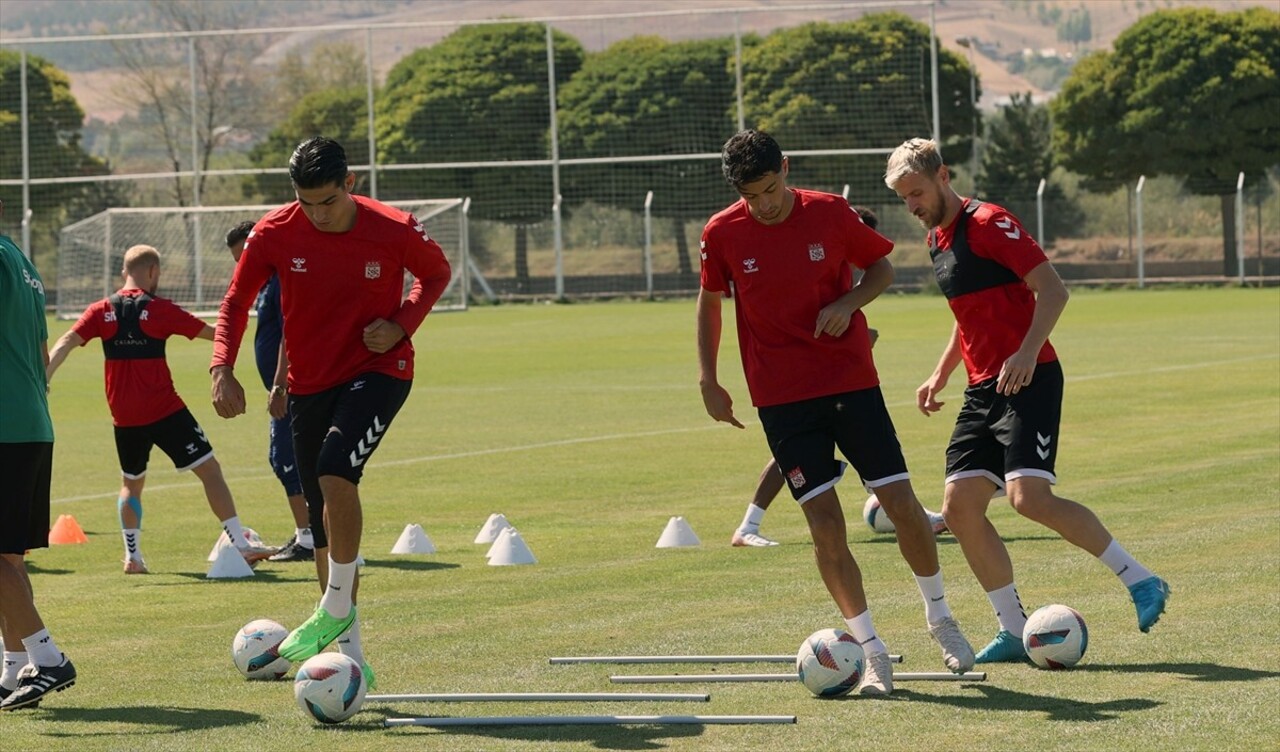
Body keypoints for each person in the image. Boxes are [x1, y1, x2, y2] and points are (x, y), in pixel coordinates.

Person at [698, 130, 975, 696]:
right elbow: (710, 303)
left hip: (850, 383)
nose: (765, 204)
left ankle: (940, 617)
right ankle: (872, 652)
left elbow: (882, 270)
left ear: (786, 170)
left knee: (901, 503)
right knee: (825, 527)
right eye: (752, 196)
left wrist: (847, 303)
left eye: (772, 189)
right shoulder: (721, 233)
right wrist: (709, 378)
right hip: (780, 399)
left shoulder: (829, 213)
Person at [883, 137, 1171, 663]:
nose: (913, 207)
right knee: (959, 508)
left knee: (1028, 498)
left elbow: (1053, 289)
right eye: (905, 199)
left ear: (943, 176)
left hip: (1030, 377)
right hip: (982, 389)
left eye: (917, 193)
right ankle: (1013, 629)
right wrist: (940, 373)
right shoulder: (936, 241)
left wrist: (1025, 352)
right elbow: (966, 316)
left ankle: (1142, 580)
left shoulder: (991, 223)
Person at [211, 136, 452, 689]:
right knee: (322, 522)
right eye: (306, 202)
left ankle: (336, 605)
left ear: (351, 183)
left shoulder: (393, 227)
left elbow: (436, 274)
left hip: (380, 369)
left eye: (328, 201)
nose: (316, 214)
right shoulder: (274, 231)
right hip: (308, 386)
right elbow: (235, 302)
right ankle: (351, 660)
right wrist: (221, 366)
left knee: (336, 466)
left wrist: (402, 322)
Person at [45, 245, 277, 575]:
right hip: (165, 411)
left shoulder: (100, 310)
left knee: (130, 484)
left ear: (125, 272)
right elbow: (214, 333)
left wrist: (45, 378)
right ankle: (239, 543)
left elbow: (67, 339)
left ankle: (133, 558)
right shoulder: (159, 309)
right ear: (153, 271)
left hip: (124, 417)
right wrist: (255, 327)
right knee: (210, 470)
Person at [729, 206, 948, 547]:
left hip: (829, 375)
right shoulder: (817, 250)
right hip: (796, 377)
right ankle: (747, 526)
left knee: (832, 444)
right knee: (819, 448)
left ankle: (749, 525)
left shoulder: (842, 260)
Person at [0, 199, 77, 711]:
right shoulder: (19, 258)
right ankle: (12, 670)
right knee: (8, 554)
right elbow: (44, 352)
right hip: (29, 420)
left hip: (6, 424)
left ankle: (48, 659)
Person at [224, 221, 313, 563]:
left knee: (286, 459)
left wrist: (280, 383)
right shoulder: (265, 284)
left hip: (292, 387)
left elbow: (292, 330)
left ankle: (310, 537)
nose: (243, 264)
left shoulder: (282, 280)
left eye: (245, 254)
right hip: (286, 386)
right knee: (292, 460)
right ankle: (313, 533)